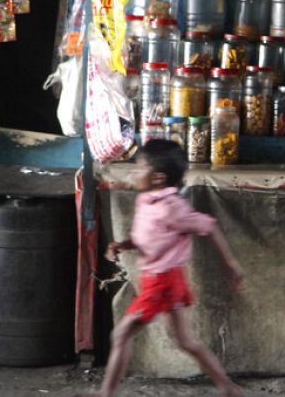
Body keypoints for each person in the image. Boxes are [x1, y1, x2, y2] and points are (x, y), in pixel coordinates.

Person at [94, 140, 245, 397]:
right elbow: (148, 238)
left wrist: (231, 265)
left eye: (140, 168)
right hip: (164, 280)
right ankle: (227, 387)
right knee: (186, 341)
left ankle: (105, 394)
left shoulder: (172, 208)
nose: (134, 172)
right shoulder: (147, 201)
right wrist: (123, 244)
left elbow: (209, 226)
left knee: (121, 335)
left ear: (158, 178)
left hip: (162, 282)